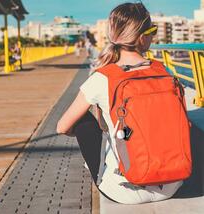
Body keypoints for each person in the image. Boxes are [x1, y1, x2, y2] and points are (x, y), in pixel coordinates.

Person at [56, 2, 183, 204]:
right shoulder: (164, 72)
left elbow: (62, 127)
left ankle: (105, 162)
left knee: (81, 120)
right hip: (171, 184)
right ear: (142, 37)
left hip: (125, 190)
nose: (154, 36)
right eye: (153, 31)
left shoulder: (102, 78)